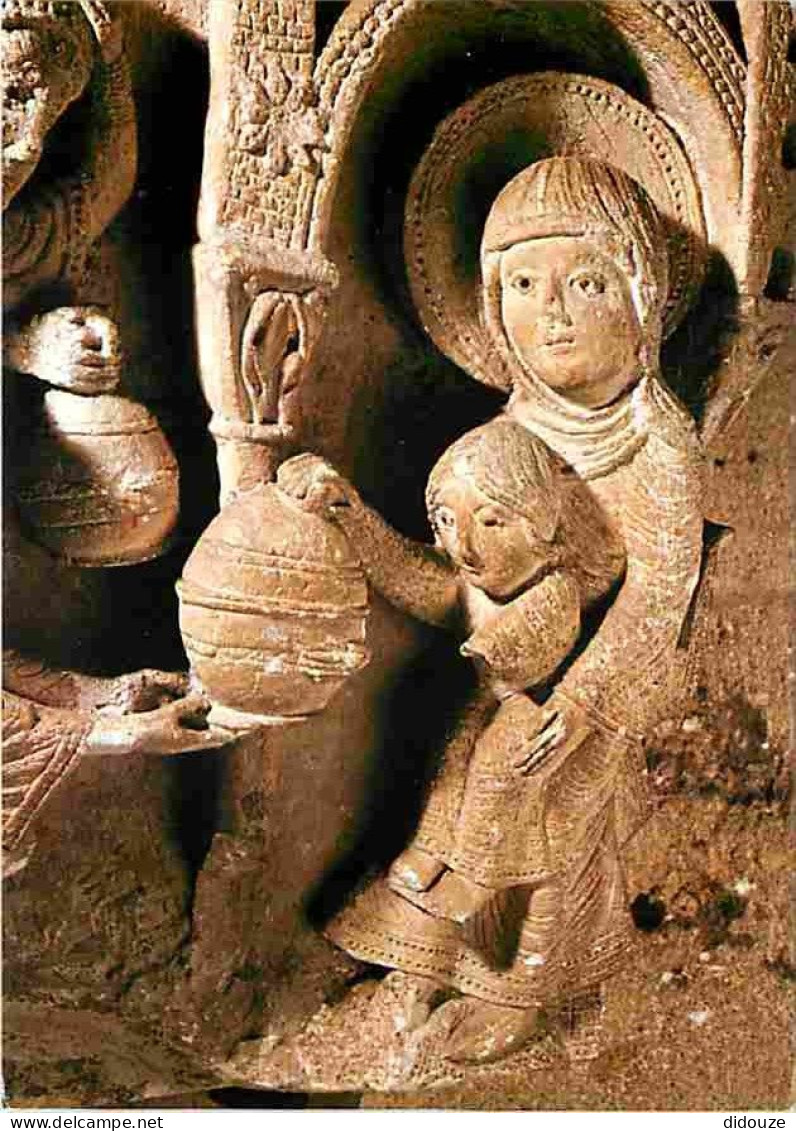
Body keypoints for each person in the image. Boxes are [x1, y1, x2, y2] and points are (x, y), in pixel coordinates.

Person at [281, 156, 705, 1064]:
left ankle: (526, 990)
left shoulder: (656, 441)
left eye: (583, 281)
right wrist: (355, 521)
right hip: (518, 664)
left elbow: (662, 591)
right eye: (521, 283)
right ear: (488, 301)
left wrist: (584, 700)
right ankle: (421, 963)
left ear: (640, 293)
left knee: (557, 821)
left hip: (610, 676)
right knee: (455, 784)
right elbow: (460, 570)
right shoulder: (518, 423)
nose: (549, 310)